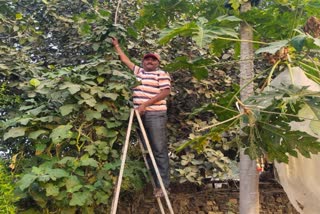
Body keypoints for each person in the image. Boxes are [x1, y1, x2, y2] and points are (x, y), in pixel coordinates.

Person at [111, 37, 171, 197]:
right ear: (143, 62)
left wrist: (144, 105)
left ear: (158, 63)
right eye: (147, 59)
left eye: (153, 60)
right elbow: (125, 60)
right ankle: (157, 184)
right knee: (148, 150)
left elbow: (165, 92)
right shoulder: (139, 72)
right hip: (140, 116)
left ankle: (163, 186)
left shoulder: (162, 74)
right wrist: (116, 45)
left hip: (155, 114)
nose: (150, 61)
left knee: (159, 149)